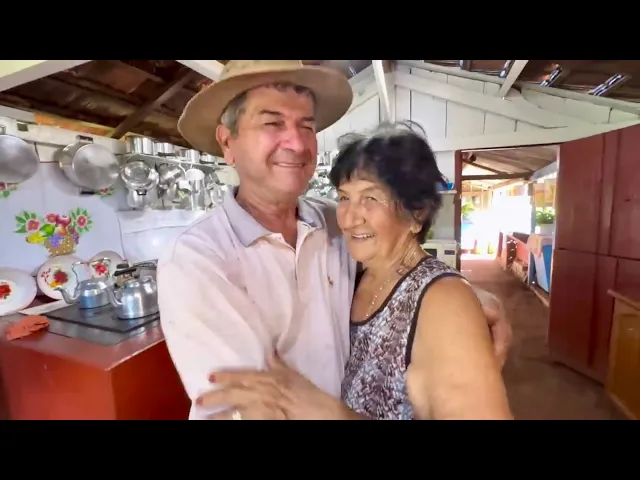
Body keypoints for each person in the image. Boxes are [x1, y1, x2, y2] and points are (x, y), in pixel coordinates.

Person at [157, 60, 512, 420]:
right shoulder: (198, 259)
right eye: (272, 123)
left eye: (306, 126)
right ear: (227, 142)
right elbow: (251, 408)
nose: (297, 143)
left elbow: (401, 272)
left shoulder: (331, 222)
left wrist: (456, 298)